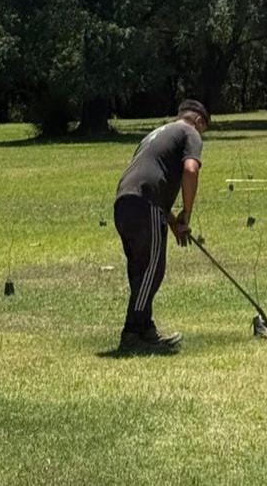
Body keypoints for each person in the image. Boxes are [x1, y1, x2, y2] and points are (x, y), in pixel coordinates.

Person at [113, 99, 208, 354]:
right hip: (146, 205)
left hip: (124, 203)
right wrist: (186, 213)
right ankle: (132, 334)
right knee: (152, 271)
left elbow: (149, 174)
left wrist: (173, 223)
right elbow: (190, 170)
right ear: (199, 121)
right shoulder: (190, 132)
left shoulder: (155, 135)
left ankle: (145, 330)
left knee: (140, 270)